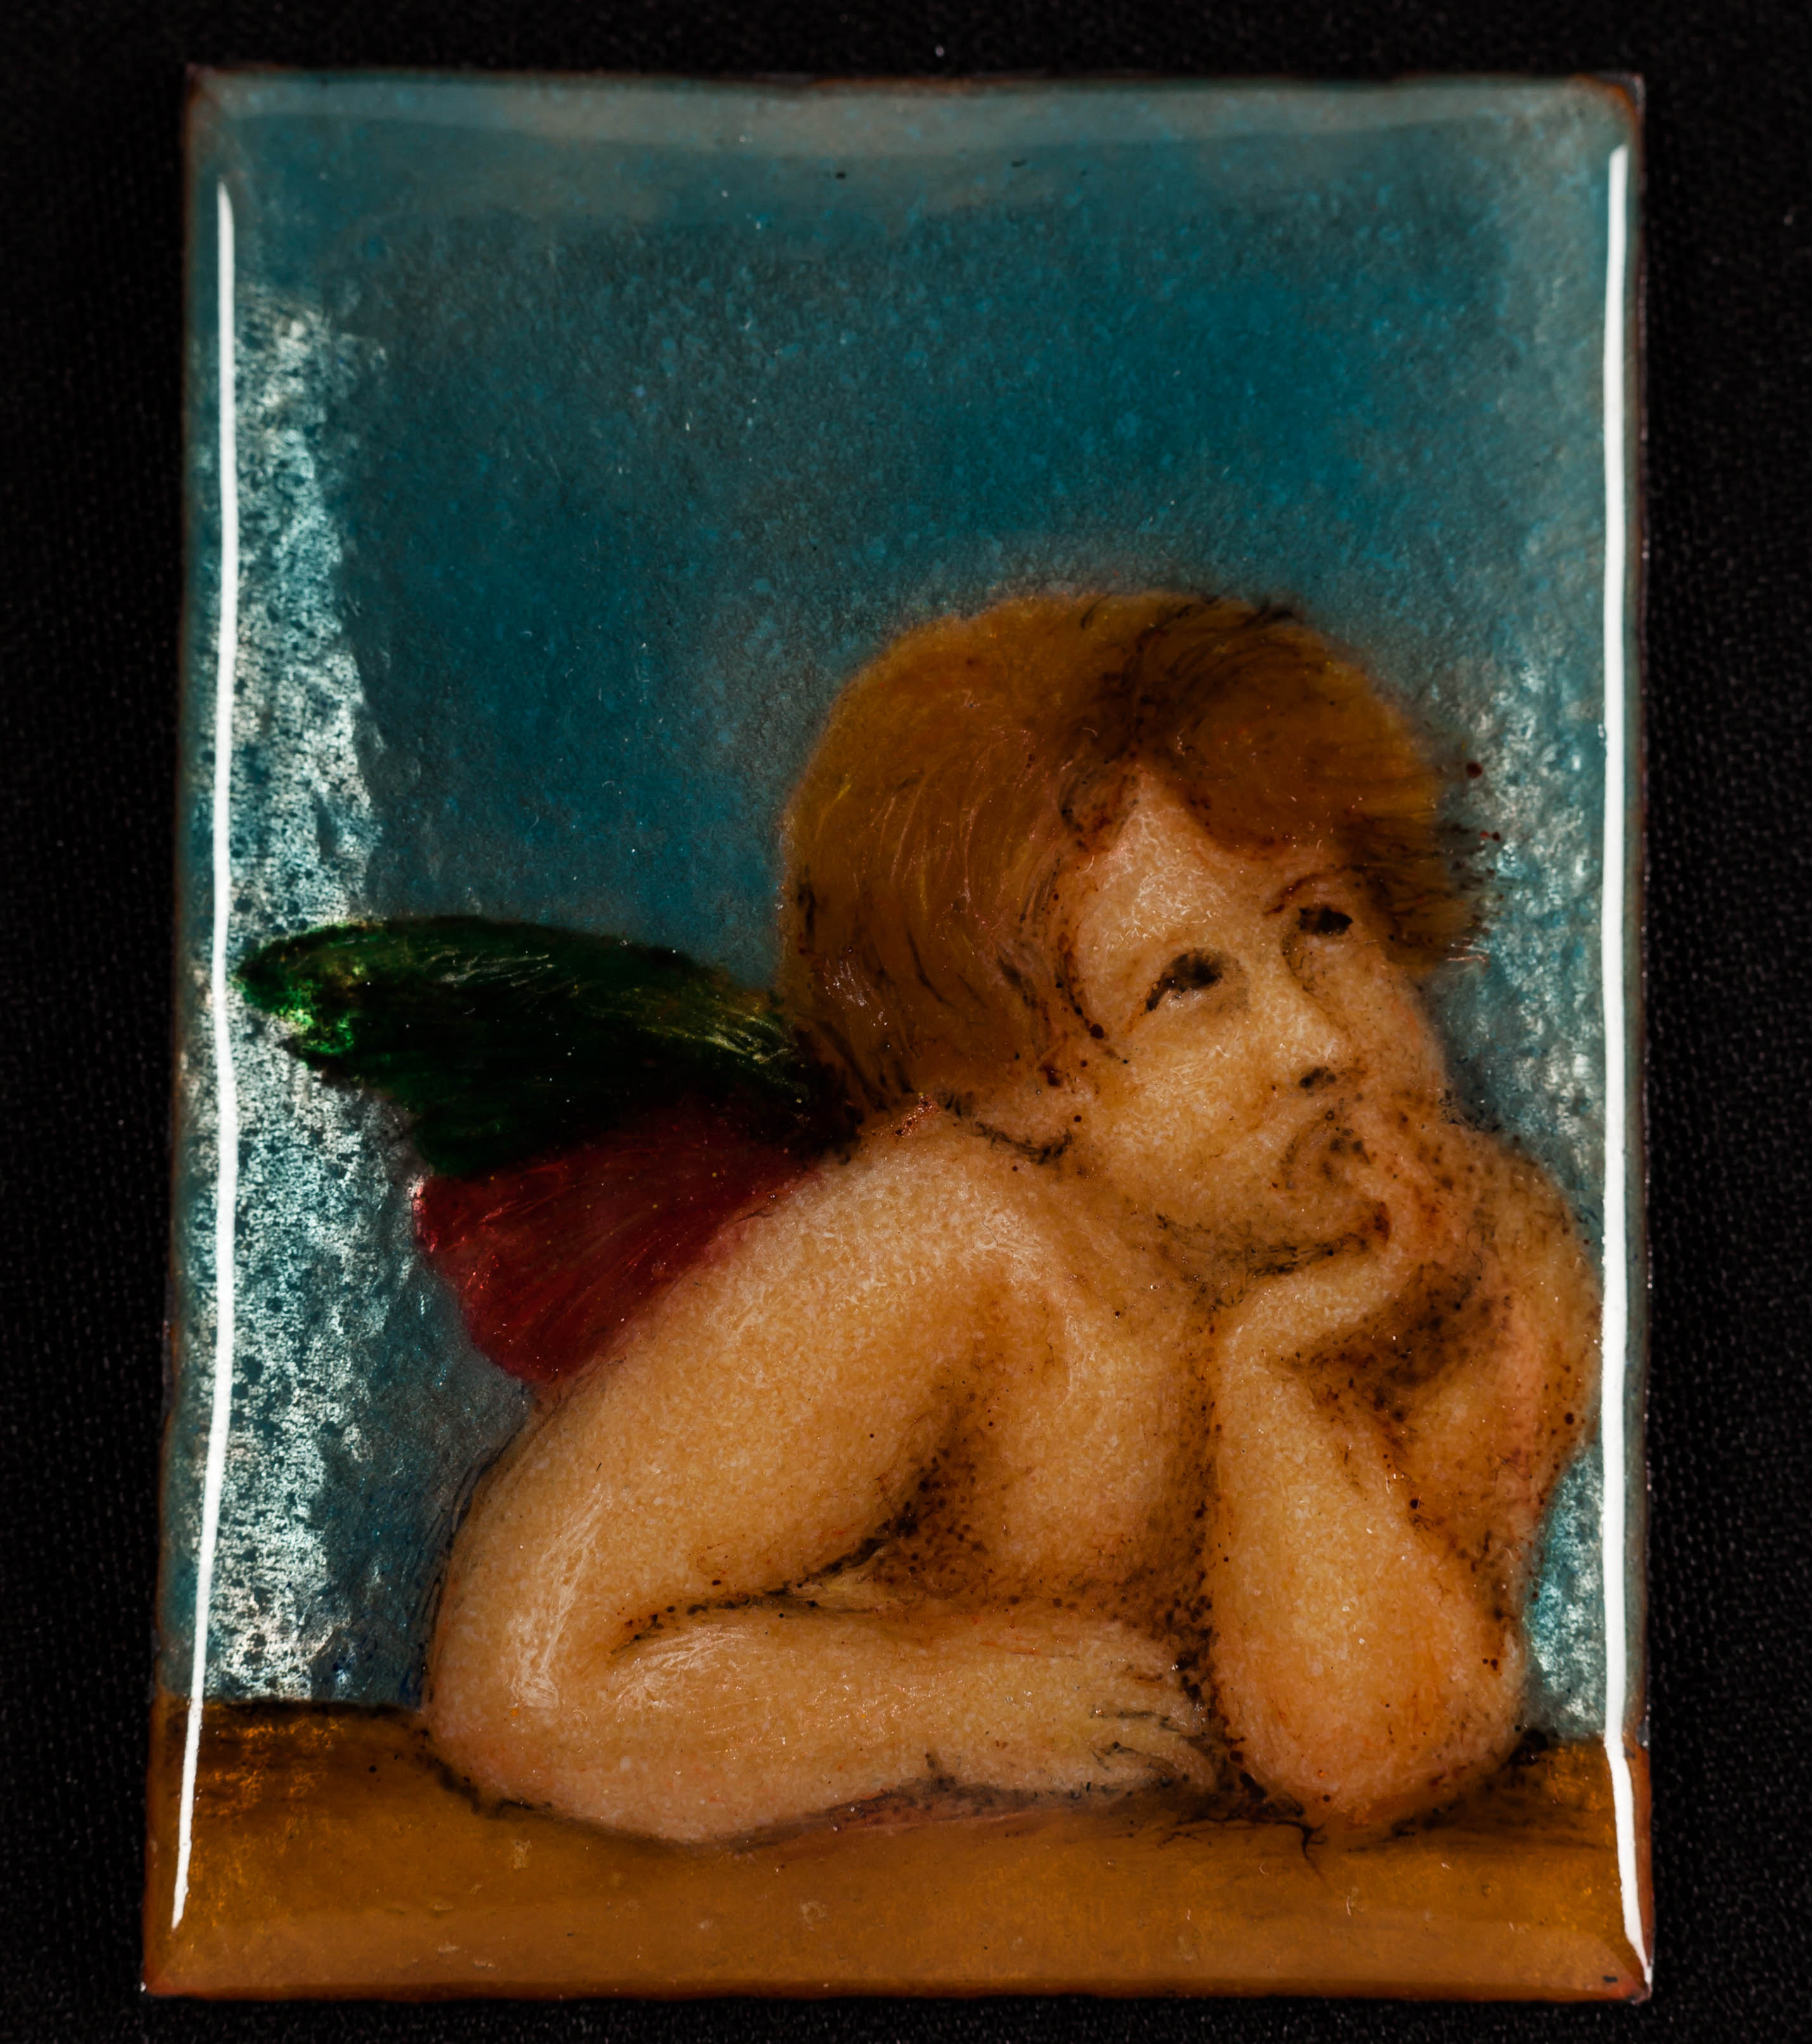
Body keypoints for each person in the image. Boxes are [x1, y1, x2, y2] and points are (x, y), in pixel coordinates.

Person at [423, 592, 1596, 1844]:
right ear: (1012, 1084)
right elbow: (516, 1687)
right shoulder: (951, 1247)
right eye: (1189, 984)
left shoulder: (1479, 1253)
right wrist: (936, 1704)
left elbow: (1365, 1757)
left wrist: (1281, 1379)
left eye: (1324, 923)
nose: (1318, 1043)